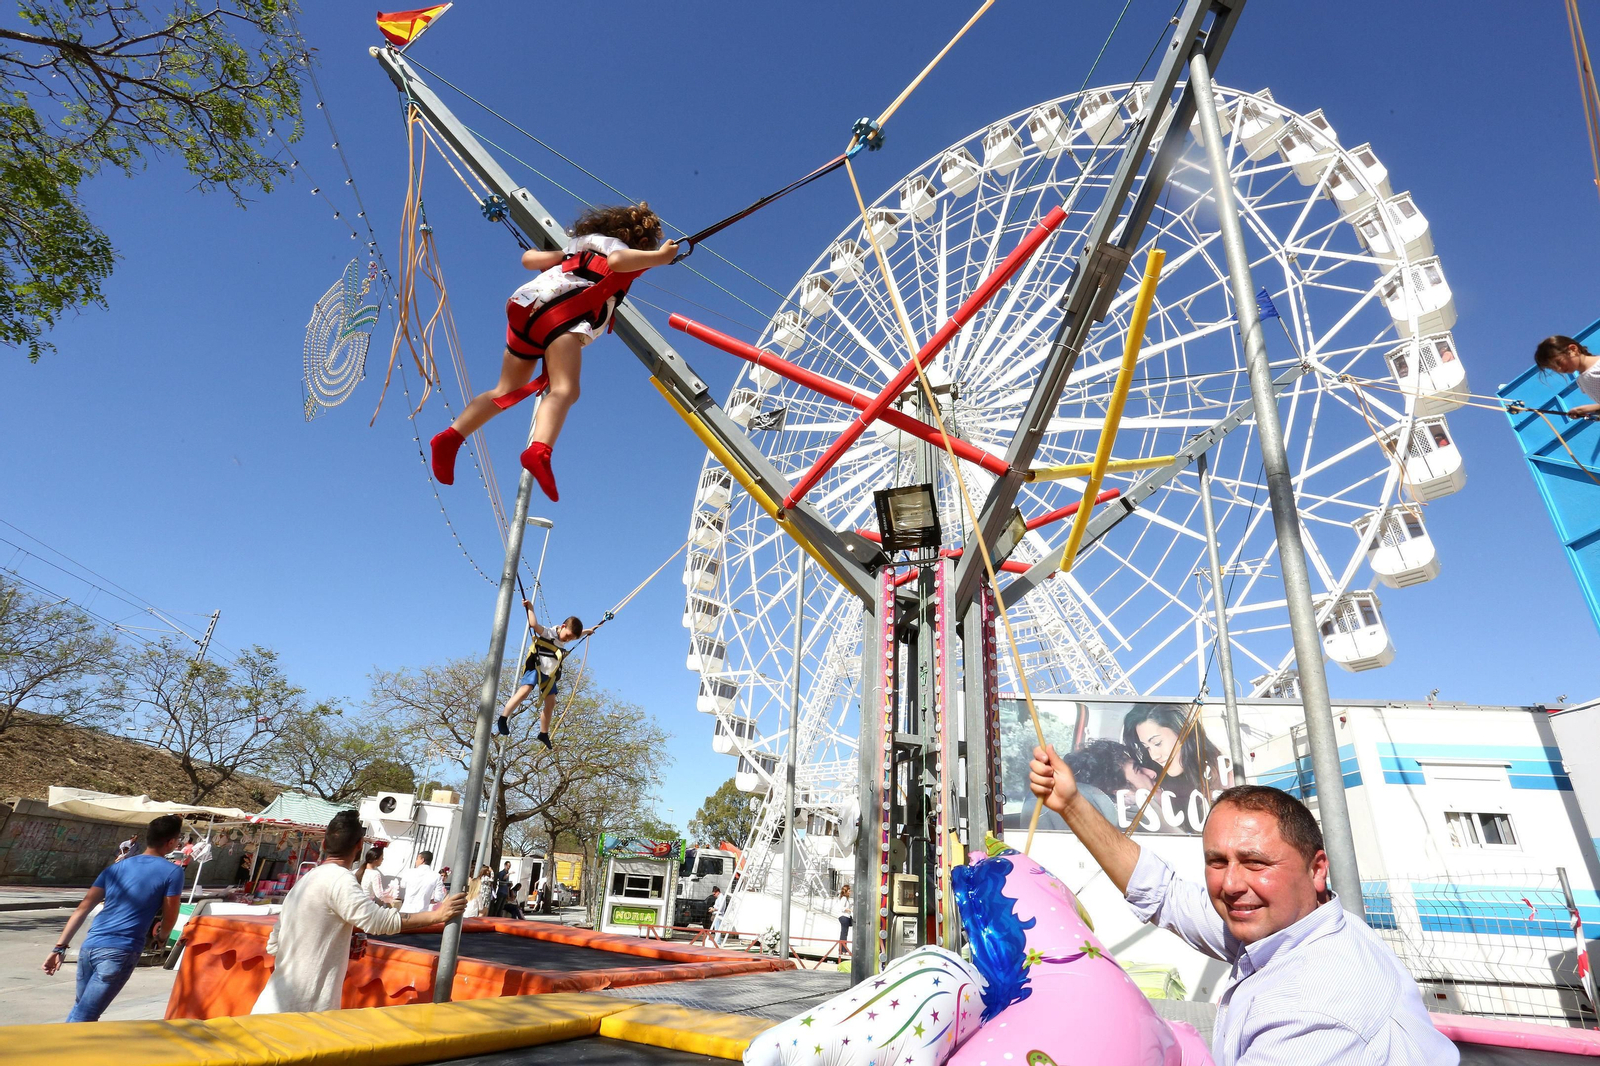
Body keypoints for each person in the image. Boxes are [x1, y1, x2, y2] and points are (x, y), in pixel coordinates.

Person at [1028, 745, 1457, 1065]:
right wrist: (1071, 804)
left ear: (1317, 869)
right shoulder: (1288, 930)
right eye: (1217, 862)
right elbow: (1166, 895)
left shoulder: (1316, 1011)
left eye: (1256, 862)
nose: (1231, 884)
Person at [429, 203, 679, 501]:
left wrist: (562, 256)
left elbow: (528, 259)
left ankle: (451, 436)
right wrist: (660, 258)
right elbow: (617, 261)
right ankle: (539, 450)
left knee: (505, 388)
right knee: (565, 388)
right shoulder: (613, 246)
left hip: (524, 310)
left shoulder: (574, 249)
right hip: (561, 315)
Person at [251, 811, 464, 1014]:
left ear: (324, 845)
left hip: (273, 1004)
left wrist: (338, 935)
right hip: (300, 1014)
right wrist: (437, 915)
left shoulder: (305, 881)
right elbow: (378, 921)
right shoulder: (339, 879)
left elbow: (274, 944)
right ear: (360, 846)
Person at [45, 814, 185, 1022]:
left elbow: (83, 908)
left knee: (82, 1009)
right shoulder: (173, 872)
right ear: (171, 842)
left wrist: (59, 947)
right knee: (85, 1015)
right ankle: (56, 1053)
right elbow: (171, 915)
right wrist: (162, 939)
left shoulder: (115, 868)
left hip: (90, 947)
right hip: (121, 950)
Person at [496, 598, 595, 748]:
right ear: (562, 627)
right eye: (567, 636)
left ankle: (543, 733)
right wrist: (530, 608)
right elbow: (534, 624)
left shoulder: (565, 639)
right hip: (536, 667)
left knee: (551, 703)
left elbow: (578, 634)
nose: (568, 640)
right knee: (525, 691)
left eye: (571, 638)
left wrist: (588, 631)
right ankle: (503, 718)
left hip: (549, 675)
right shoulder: (548, 633)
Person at [1121, 705, 1229, 818]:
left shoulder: (1223, 774)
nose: (1154, 756)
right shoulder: (1160, 786)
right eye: (1147, 748)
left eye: (1157, 743)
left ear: (1182, 732)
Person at [1532, 335, 1600, 417]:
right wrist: (1587, 411)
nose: (1558, 369)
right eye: (1552, 368)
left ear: (1573, 349)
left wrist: (1590, 408)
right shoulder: (1581, 381)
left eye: (1558, 362)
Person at [397, 850, 446, 914]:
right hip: (422, 913)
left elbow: (402, 885)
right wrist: (427, 901)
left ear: (422, 860)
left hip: (406, 910)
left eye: (417, 859)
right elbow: (438, 898)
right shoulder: (436, 876)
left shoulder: (409, 872)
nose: (416, 861)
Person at [835, 883, 852, 958]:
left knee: (844, 933)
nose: (850, 892)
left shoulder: (846, 899)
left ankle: (843, 950)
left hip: (846, 917)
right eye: (849, 890)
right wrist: (849, 909)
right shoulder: (844, 898)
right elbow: (842, 908)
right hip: (844, 917)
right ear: (846, 891)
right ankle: (843, 950)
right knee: (844, 933)